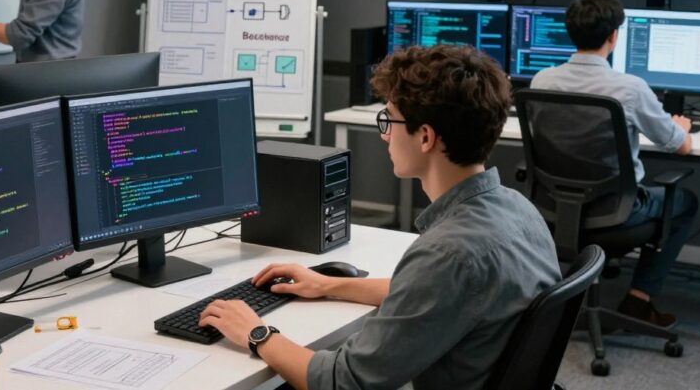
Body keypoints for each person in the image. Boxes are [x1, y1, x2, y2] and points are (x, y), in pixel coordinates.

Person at [199, 45, 561, 390]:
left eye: (389, 119)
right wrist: (329, 285)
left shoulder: (449, 254)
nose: (385, 135)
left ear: (425, 137)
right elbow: (431, 293)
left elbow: (343, 382)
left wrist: (256, 333)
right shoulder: (518, 209)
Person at [531, 0, 699, 327]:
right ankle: (639, 299)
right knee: (685, 202)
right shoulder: (630, 88)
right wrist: (682, 127)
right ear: (613, 36)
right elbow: (679, 146)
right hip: (618, 214)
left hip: (555, 209)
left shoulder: (542, 80)